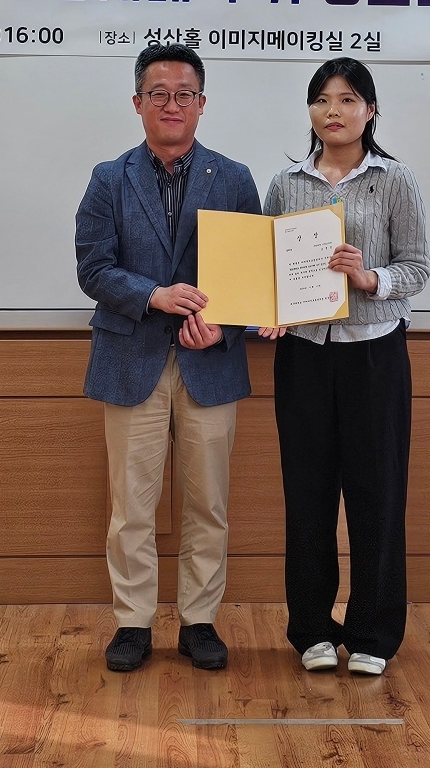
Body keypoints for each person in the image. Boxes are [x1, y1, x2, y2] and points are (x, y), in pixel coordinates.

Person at [76, 43, 261, 673]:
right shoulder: (109, 178)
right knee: (132, 506)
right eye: (159, 93)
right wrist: (153, 295)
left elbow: (251, 275)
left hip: (211, 364)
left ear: (202, 104)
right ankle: (132, 623)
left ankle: (199, 622)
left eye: (184, 94)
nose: (172, 104)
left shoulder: (233, 179)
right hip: (132, 360)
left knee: (208, 504)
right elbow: (93, 267)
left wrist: (221, 326)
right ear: (138, 103)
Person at [258, 57, 429, 677]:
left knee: (376, 494)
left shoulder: (395, 179)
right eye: (322, 99)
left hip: (374, 353)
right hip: (303, 355)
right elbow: (267, 268)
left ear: (370, 110)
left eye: (348, 98)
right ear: (310, 111)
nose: (334, 111)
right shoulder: (286, 184)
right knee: (306, 494)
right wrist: (268, 310)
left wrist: (369, 276)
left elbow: (417, 268)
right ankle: (311, 629)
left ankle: (374, 633)